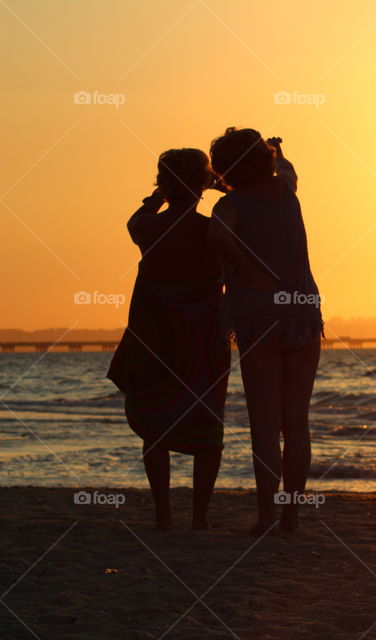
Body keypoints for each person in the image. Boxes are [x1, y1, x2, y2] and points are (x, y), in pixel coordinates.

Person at [108, 149, 229, 531]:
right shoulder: (211, 231)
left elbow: (135, 219)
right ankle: (201, 518)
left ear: (163, 185)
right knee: (207, 425)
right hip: (201, 341)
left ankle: (163, 514)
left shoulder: (148, 228)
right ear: (203, 186)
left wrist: (156, 197)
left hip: (155, 339)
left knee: (155, 423)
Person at [208, 127, 322, 535]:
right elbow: (288, 168)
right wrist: (277, 149)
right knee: (296, 422)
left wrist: (247, 268)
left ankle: (266, 516)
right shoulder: (287, 191)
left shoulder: (230, 204)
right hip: (302, 310)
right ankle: (290, 516)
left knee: (264, 424)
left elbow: (217, 234)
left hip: (259, 313)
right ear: (265, 159)